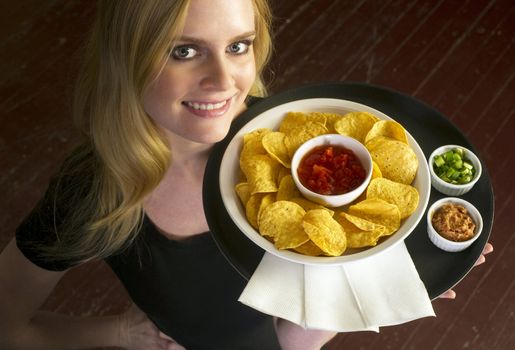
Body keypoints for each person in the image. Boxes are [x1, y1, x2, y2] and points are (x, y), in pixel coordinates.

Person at [0, 0, 493, 349]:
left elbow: (296, 333)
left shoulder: (288, 142)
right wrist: (115, 334)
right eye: (183, 51)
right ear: (123, 59)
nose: (223, 81)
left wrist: (377, 287)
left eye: (238, 45)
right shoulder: (88, 194)